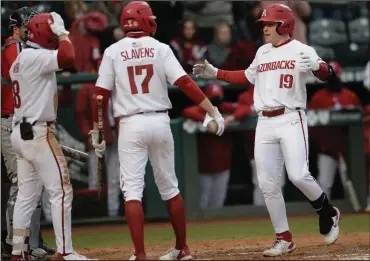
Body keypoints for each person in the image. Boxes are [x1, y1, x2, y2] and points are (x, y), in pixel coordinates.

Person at [193, 3, 341, 257]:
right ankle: (283, 238)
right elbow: (246, 77)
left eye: (270, 24)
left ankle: (327, 211)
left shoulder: (301, 49)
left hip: (291, 117)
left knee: (298, 174)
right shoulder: (262, 52)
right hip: (265, 121)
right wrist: (216, 72)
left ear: (284, 25)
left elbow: (327, 75)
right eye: (264, 24)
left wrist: (318, 67)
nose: (265, 28)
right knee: (267, 183)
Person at [89, 1, 224, 260]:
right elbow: (184, 82)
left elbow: (99, 96)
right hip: (160, 121)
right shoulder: (160, 48)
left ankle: (140, 254)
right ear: (146, 21)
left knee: (132, 192)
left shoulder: (113, 51)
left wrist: (97, 130)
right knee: (170, 188)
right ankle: (182, 248)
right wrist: (211, 110)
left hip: (130, 124)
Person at [9, 12, 93, 260]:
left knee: (26, 195)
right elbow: (68, 56)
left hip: (21, 133)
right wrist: (64, 32)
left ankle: (16, 253)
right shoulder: (37, 56)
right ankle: (66, 252)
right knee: (62, 190)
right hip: (36, 132)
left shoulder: (21, 58)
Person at [1, 6, 55, 259]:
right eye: (29, 26)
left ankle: (32, 242)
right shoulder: (14, 48)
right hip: (11, 121)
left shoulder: (27, 49)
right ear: (16, 28)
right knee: (20, 188)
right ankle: (16, 245)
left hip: (22, 122)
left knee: (31, 187)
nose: (33, 30)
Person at [308, 61, 361, 200]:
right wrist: (322, 145)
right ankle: (324, 212)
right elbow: (312, 126)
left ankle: (355, 214)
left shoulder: (350, 96)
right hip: (327, 150)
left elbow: (359, 124)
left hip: (347, 149)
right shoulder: (318, 98)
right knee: (325, 183)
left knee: (350, 183)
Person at [183, 84, 232, 209]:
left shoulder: (225, 109)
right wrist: (207, 120)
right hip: (204, 166)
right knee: (203, 201)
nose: (215, 102)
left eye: (218, 98)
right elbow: (187, 111)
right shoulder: (200, 110)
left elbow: (243, 109)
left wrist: (232, 118)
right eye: (212, 98)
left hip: (223, 165)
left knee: (218, 201)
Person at [75, 83, 120, 217]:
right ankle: (94, 214)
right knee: (95, 178)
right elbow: (80, 114)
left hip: (115, 134)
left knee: (115, 178)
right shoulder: (88, 88)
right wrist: (88, 134)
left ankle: (114, 212)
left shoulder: (118, 84)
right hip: (97, 135)